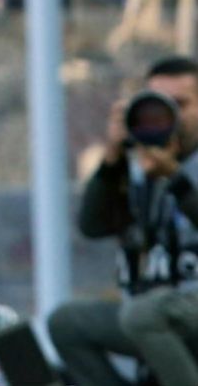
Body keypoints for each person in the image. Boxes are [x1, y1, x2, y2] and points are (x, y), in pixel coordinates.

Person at [48, 56, 198, 386]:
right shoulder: (137, 168)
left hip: (184, 310)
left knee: (144, 314)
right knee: (67, 323)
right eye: (156, 105)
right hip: (146, 312)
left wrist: (174, 177)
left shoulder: (176, 170)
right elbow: (92, 225)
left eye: (180, 105)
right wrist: (113, 158)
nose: (166, 116)